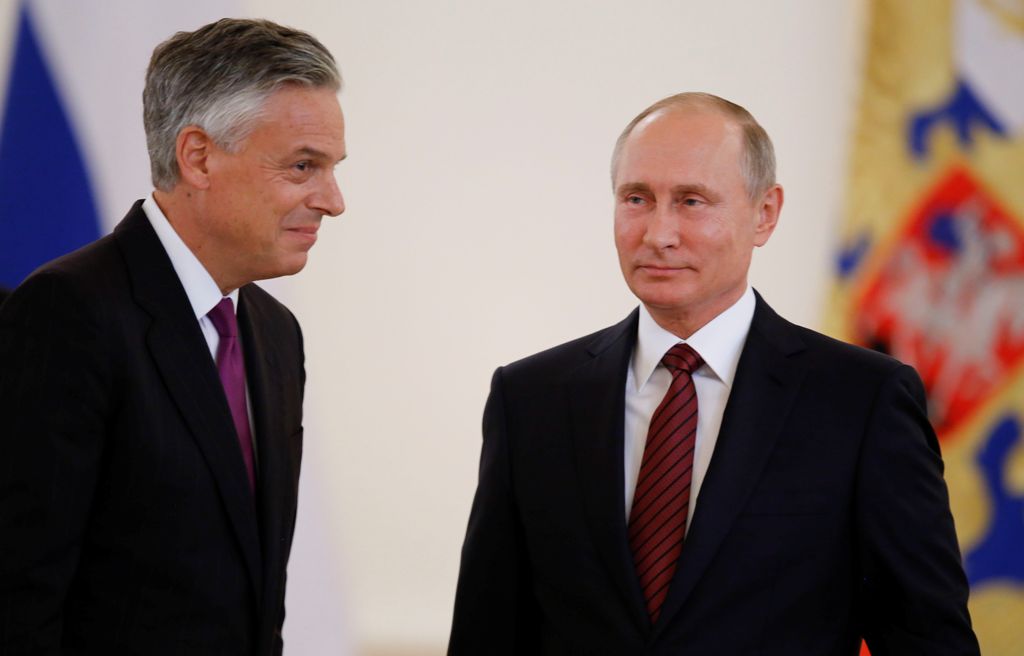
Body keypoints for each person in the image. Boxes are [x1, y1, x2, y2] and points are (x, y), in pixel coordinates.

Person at [448, 92, 979, 655]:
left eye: (692, 201)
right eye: (636, 198)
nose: (658, 233)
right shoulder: (530, 399)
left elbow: (929, 638)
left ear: (765, 213)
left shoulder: (861, 402)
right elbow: (488, 632)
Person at [0, 18, 345, 655]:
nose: (333, 199)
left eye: (330, 168)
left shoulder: (275, 332)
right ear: (199, 156)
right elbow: (20, 594)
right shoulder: (69, 311)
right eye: (304, 167)